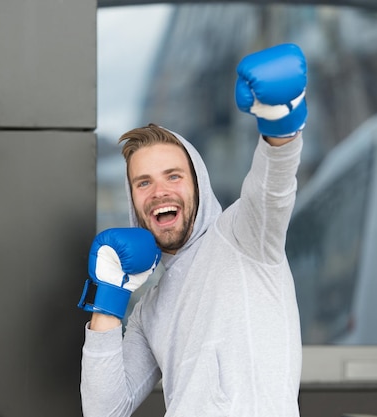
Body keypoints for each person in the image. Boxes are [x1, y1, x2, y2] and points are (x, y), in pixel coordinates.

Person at [77, 43, 307, 417]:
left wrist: (280, 121)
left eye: (173, 176)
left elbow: (273, 187)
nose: (159, 192)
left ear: (197, 183)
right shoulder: (149, 309)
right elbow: (103, 410)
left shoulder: (243, 236)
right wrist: (108, 298)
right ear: (133, 200)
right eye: (143, 183)